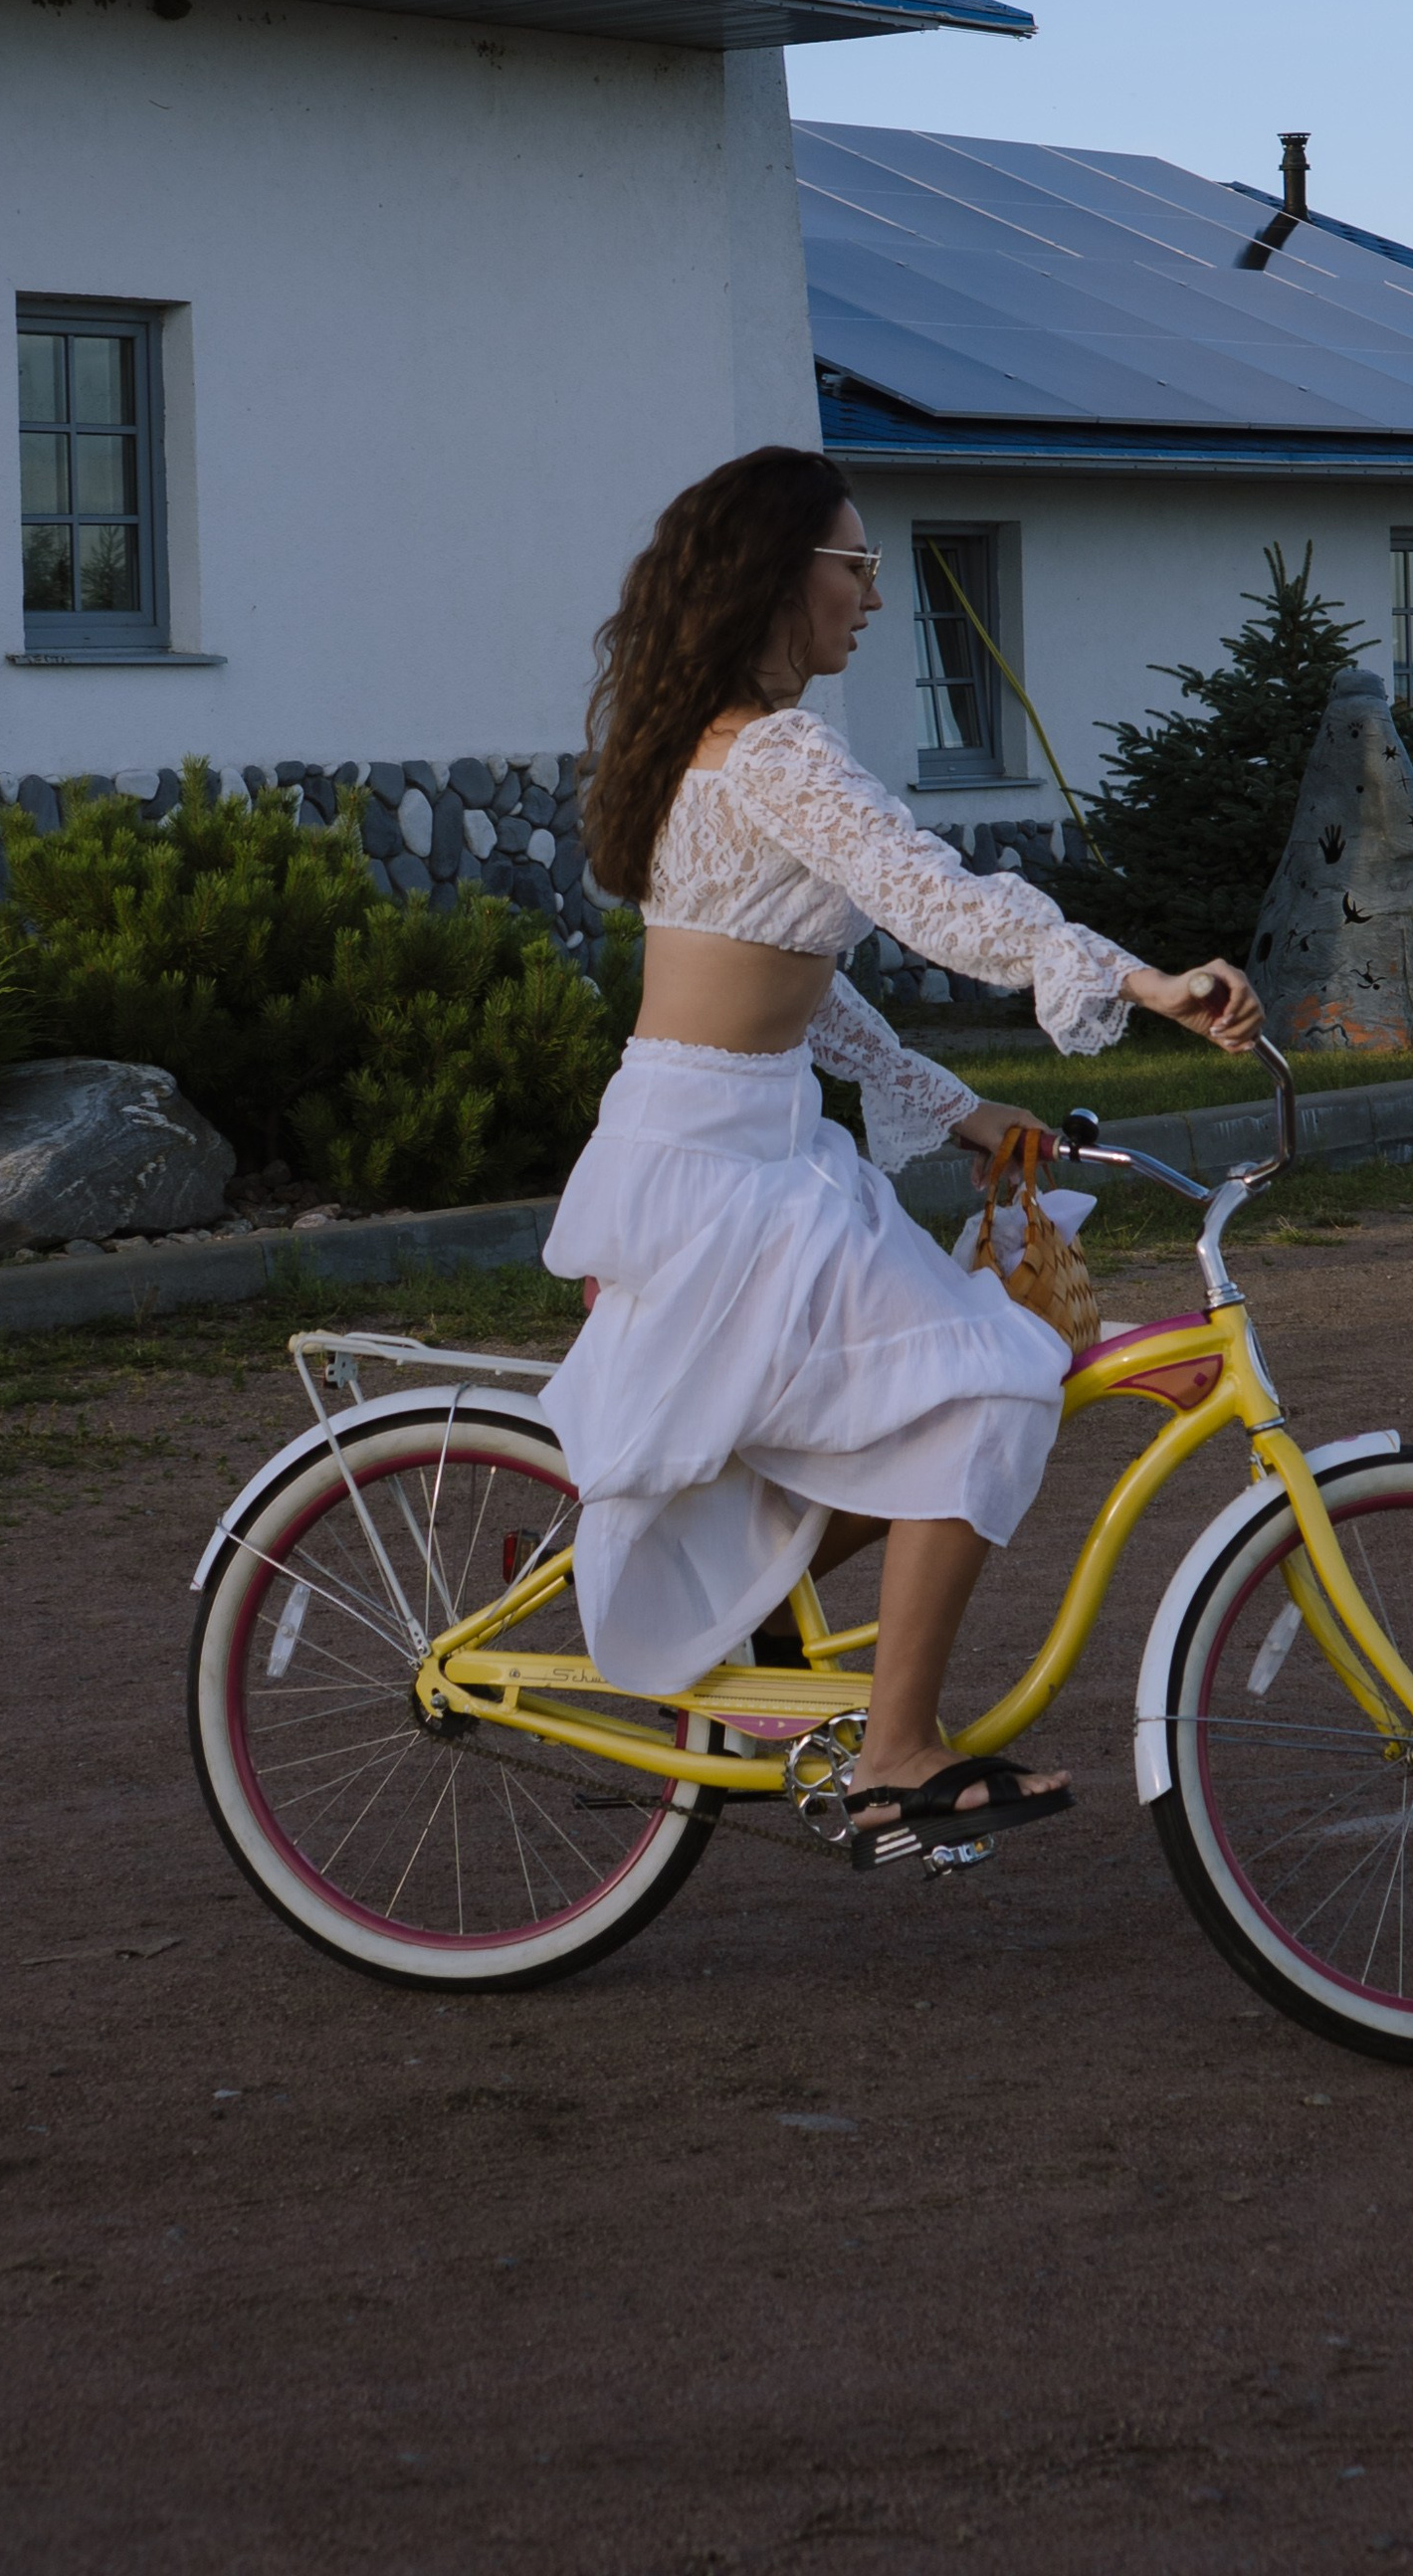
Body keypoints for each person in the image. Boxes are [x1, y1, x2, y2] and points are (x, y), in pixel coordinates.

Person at [540, 446, 1264, 1864]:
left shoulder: (716, 747)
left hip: (718, 1148)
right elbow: (937, 906)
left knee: (912, 1397)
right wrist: (1139, 980)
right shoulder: (776, 755)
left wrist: (952, 1105)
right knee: (997, 1381)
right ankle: (894, 1757)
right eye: (855, 566)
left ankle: (734, 1614)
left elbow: (808, 973)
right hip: (725, 1175)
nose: (874, 595)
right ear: (777, 574)